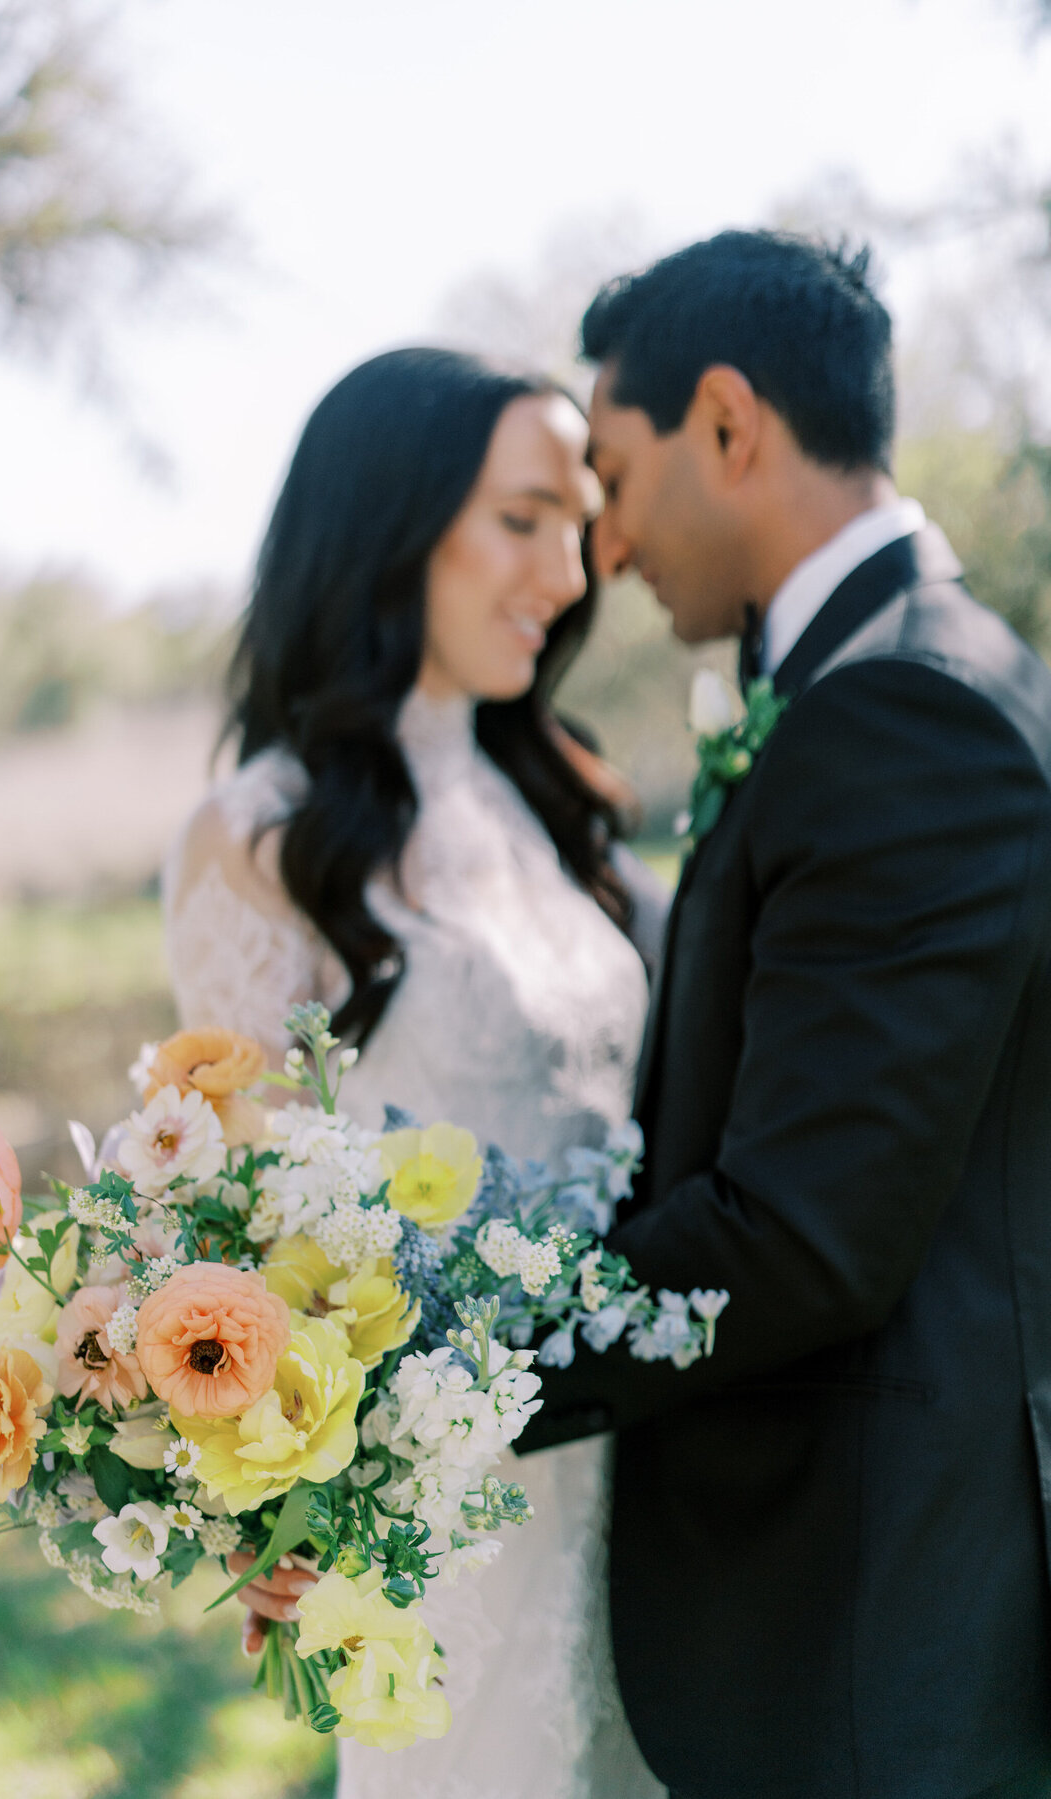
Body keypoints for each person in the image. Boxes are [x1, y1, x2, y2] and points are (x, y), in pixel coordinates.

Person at [519, 229, 1051, 1799]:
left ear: (731, 425)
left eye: (612, 473)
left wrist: (433, 1378)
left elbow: (807, 1230)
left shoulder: (906, 705)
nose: (604, 547)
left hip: (874, 1619)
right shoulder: (895, 673)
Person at [161, 346, 669, 1799]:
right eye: (523, 520)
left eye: (578, 523)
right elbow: (242, 1222)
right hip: (443, 1515)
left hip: (653, 1476)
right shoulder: (264, 836)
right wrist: (267, 1490)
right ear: (393, 525)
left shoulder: (556, 806)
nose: (568, 572)